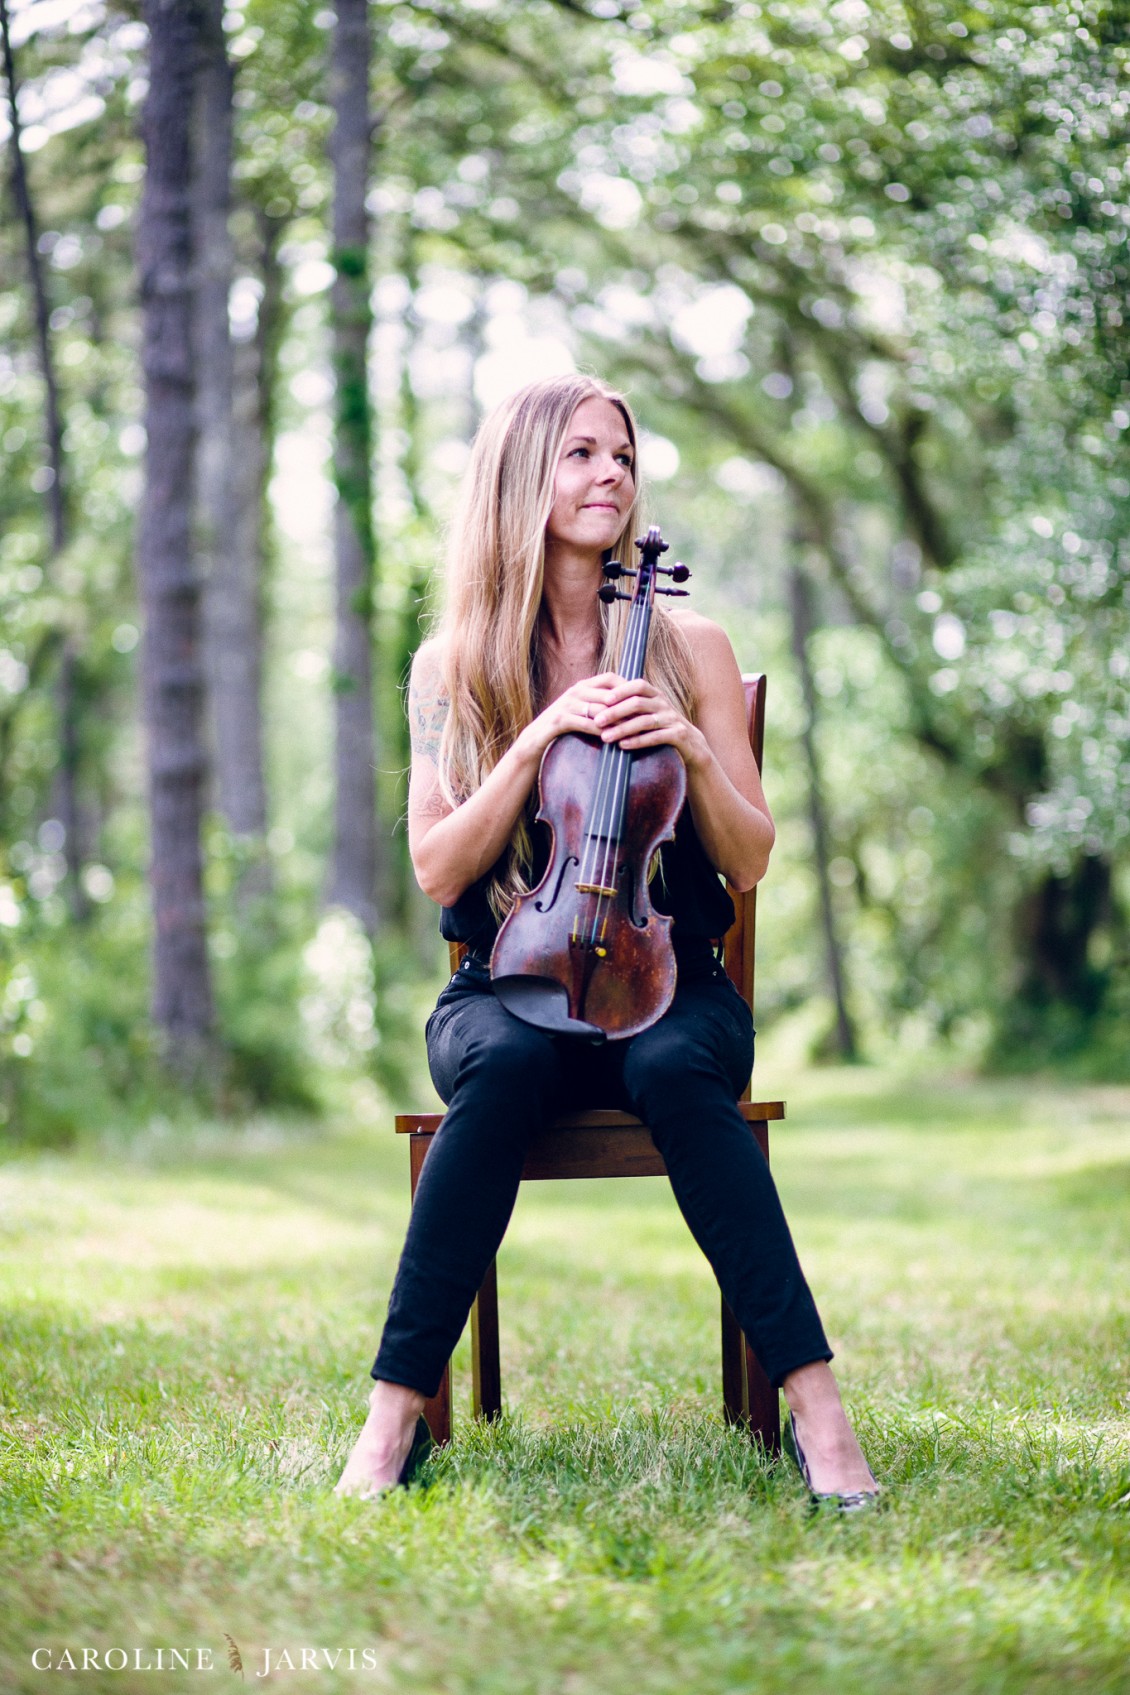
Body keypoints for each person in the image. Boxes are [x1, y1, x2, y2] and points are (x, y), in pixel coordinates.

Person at [336, 373, 878, 1508]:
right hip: (505, 978)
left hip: (669, 977)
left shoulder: (689, 644)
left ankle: (819, 1423)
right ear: (522, 478)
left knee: (678, 1070)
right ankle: (390, 1426)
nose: (609, 475)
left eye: (621, 456)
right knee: (507, 1066)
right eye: (580, 454)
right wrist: (534, 741)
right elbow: (438, 868)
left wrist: (685, 732)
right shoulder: (455, 665)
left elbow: (750, 855)